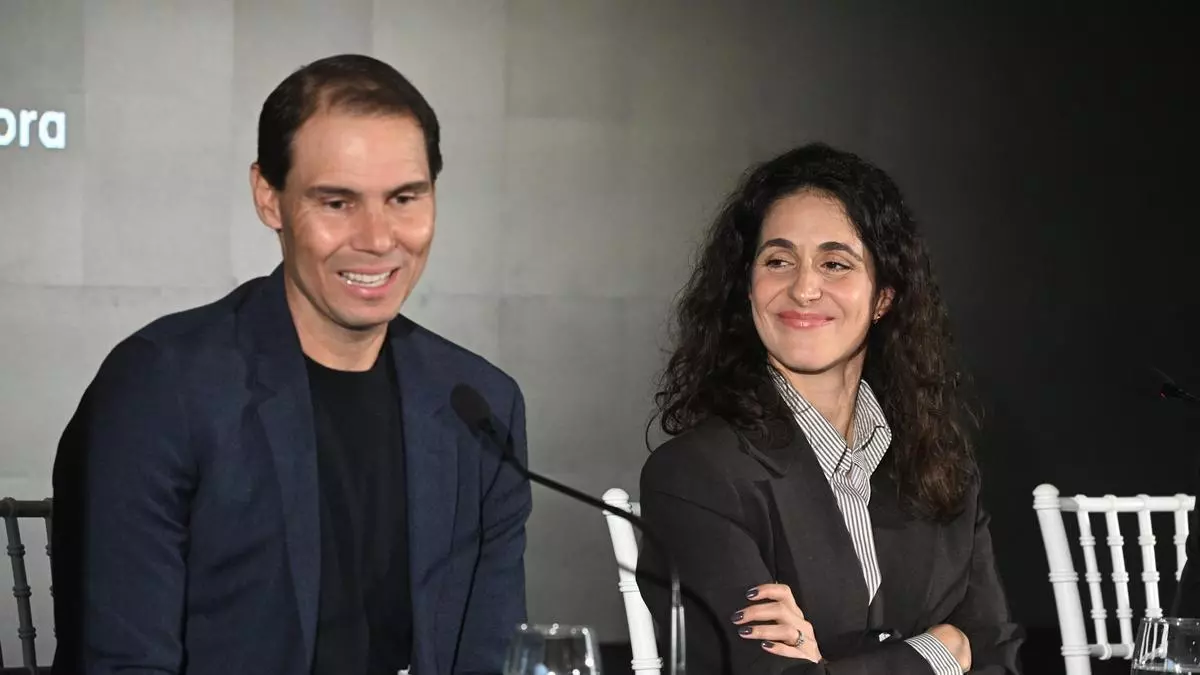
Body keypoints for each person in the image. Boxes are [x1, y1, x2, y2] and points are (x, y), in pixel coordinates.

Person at [50, 54, 532, 675]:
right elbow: (122, 661)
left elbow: (491, 657)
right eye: (337, 203)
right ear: (268, 198)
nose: (378, 238)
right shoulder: (160, 388)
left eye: (404, 198)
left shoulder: (481, 404)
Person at [637, 143, 1023, 673]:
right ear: (747, 287)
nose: (804, 288)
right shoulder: (693, 476)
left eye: (835, 264)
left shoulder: (941, 463)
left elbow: (997, 660)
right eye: (778, 261)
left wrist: (827, 666)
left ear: (884, 296)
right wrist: (941, 651)